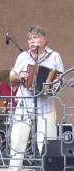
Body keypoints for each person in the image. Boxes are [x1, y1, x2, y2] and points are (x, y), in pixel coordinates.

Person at [7, 26, 64, 171]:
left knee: (47, 143)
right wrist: (21, 77)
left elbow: (61, 80)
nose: (32, 41)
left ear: (44, 39)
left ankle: (49, 169)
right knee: (17, 141)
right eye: (29, 38)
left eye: (35, 37)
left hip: (46, 106)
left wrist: (53, 86)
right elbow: (11, 77)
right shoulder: (23, 57)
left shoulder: (54, 56)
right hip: (25, 105)